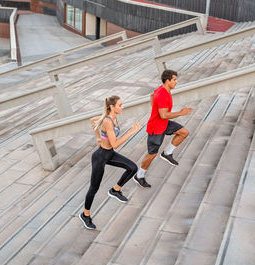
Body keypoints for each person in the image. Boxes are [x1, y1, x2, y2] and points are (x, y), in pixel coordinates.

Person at [79, 95, 141, 230]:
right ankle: (85, 215)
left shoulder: (111, 116)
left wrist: (98, 137)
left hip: (109, 154)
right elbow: (115, 144)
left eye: (122, 104)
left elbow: (92, 120)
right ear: (112, 107)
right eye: (120, 105)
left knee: (132, 168)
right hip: (100, 157)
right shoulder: (108, 121)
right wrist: (131, 132)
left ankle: (115, 190)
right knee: (94, 188)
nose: (122, 107)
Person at [134, 69, 192, 188]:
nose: (176, 82)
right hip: (156, 127)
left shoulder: (162, 90)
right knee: (151, 155)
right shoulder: (162, 94)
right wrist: (181, 113)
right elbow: (164, 115)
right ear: (167, 80)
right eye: (174, 80)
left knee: (184, 132)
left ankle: (167, 153)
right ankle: (139, 176)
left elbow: (152, 95)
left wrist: (154, 109)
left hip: (164, 123)